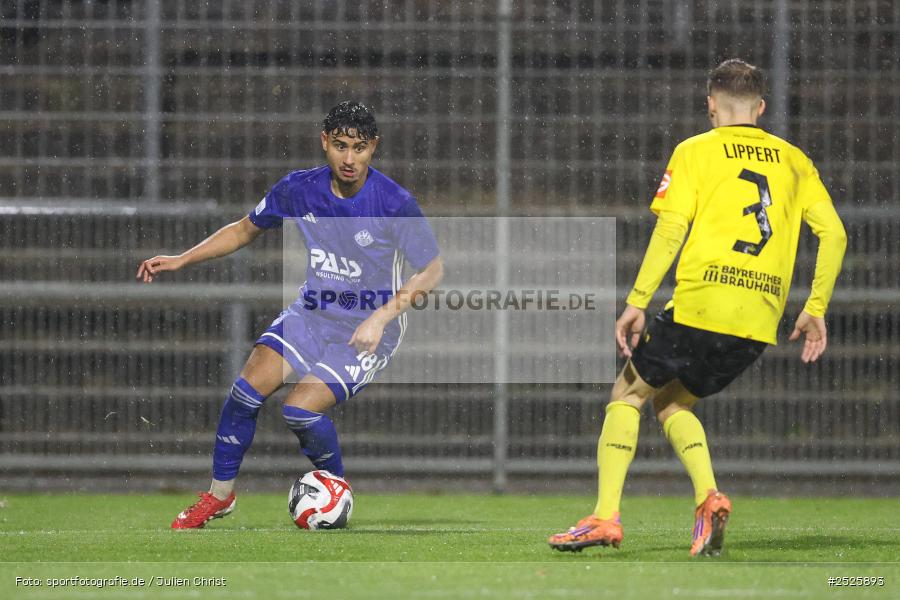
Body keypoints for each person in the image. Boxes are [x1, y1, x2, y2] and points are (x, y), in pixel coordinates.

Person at [548, 59, 847, 556]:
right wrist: (815, 307)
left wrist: (637, 301)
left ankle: (604, 517)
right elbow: (834, 234)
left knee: (627, 394)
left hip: (699, 306)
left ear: (711, 105)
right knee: (673, 402)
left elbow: (671, 229)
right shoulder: (795, 160)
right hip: (757, 321)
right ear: (761, 107)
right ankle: (709, 499)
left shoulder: (695, 150)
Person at [137, 101, 444, 529]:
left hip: (367, 328)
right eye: (340, 146)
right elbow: (244, 229)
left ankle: (336, 491)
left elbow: (432, 269)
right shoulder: (299, 188)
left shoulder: (394, 202)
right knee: (245, 393)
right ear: (324, 142)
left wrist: (380, 318)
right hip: (312, 314)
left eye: (359, 148)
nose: (349, 158)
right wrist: (182, 258)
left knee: (299, 410)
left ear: (373, 147)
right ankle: (219, 496)